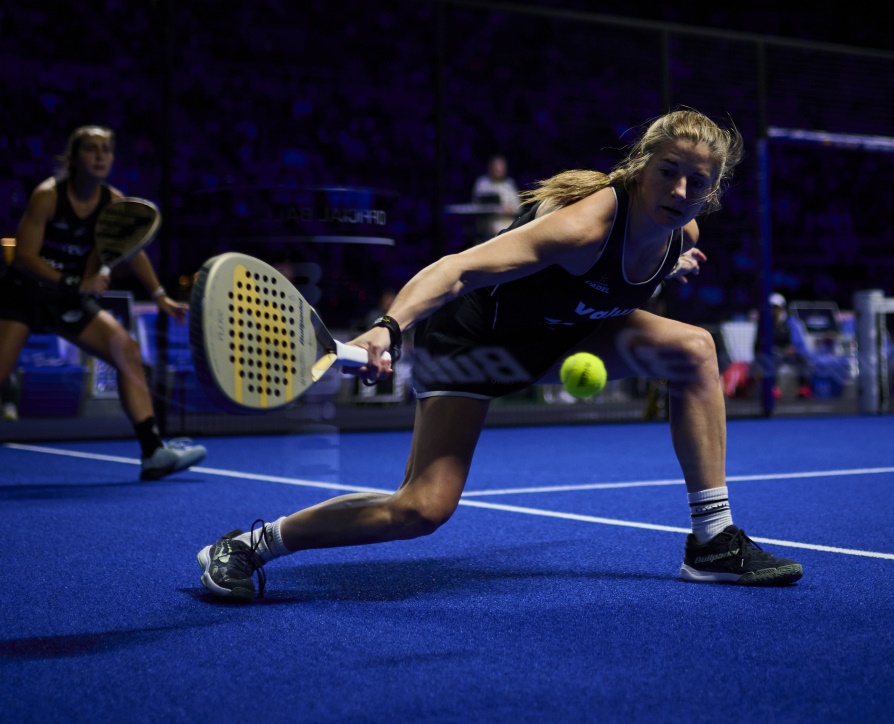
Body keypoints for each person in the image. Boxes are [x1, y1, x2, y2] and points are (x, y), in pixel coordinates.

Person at [197, 107, 803, 601]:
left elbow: (647, 265)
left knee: (694, 348)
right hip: (473, 343)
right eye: (669, 171)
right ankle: (253, 543)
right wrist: (388, 328)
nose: (680, 190)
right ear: (641, 166)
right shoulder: (585, 226)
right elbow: (458, 270)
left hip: (558, 339)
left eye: (697, 182)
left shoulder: (681, 231)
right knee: (421, 509)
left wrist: (675, 261)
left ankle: (713, 541)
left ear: (713, 191)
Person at [0, 125, 206, 479]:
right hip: (23, 296)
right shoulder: (48, 196)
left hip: (68, 300)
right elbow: (24, 258)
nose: (99, 156)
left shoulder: (112, 202)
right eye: (91, 149)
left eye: (106, 150)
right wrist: (76, 281)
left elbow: (134, 249)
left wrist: (159, 296)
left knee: (126, 351)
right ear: (73, 158)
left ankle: (153, 451)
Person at [755, 292, 812, 399]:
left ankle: (804, 388)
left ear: (782, 308)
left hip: (787, 354)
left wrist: (792, 348)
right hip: (772, 354)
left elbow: (795, 342)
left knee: (803, 359)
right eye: (772, 307)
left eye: (776, 307)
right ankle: (773, 389)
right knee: (771, 361)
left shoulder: (790, 322)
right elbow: (758, 344)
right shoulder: (763, 324)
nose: (774, 310)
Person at [471, 154, 521, 239]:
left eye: (501, 167)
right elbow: (476, 205)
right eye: (496, 166)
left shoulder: (509, 185)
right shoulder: (482, 183)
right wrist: (499, 209)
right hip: (486, 229)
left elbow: (518, 208)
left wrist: (510, 210)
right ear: (490, 167)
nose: (498, 169)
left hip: (507, 228)